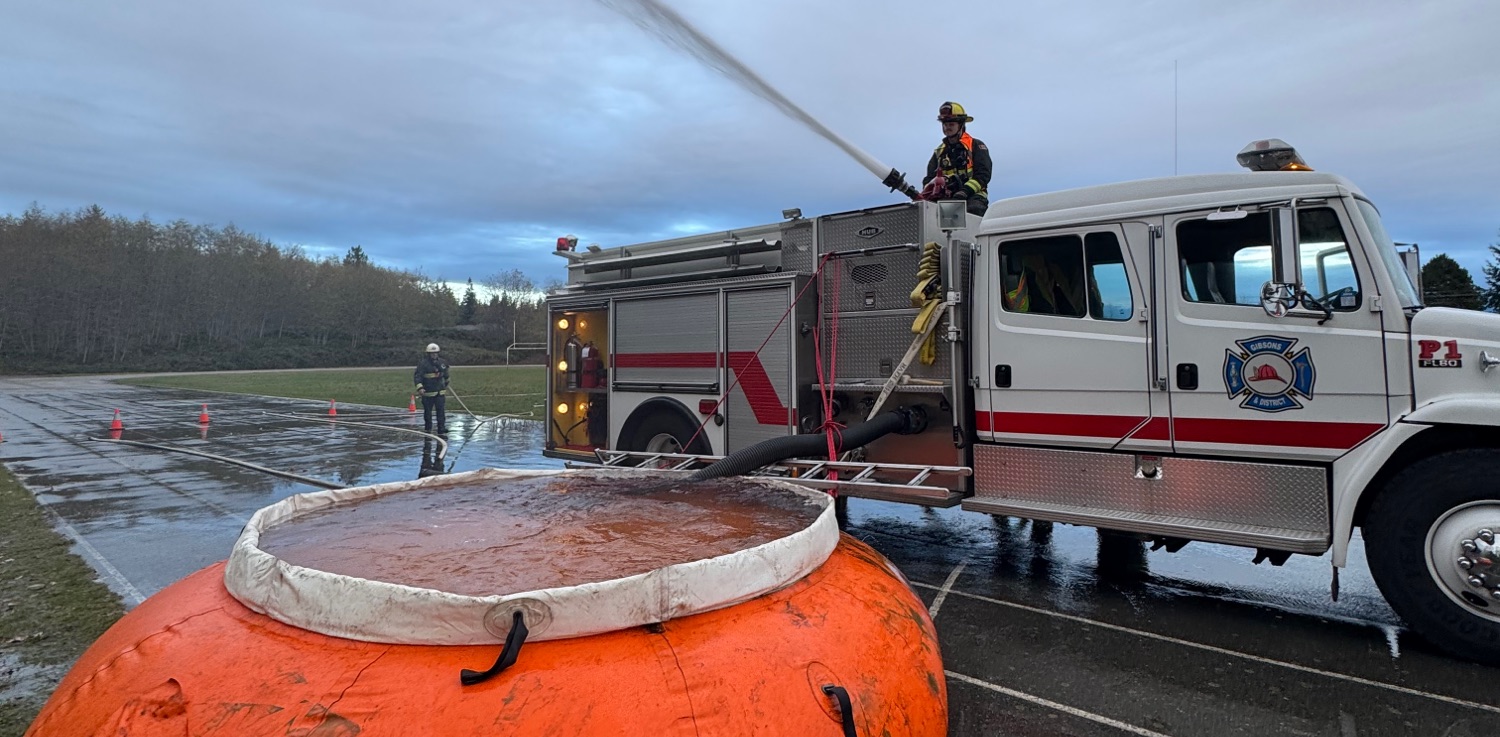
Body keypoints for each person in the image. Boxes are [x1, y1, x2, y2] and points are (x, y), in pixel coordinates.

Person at [923, 101, 992, 216]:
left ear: (961, 125)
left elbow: (983, 175)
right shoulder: (939, 152)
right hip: (947, 199)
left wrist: (965, 191)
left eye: (951, 124)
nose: (947, 128)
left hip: (973, 197)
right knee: (931, 215)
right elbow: (929, 179)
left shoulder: (975, 146)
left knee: (973, 212)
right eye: (944, 124)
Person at [413, 342, 450, 433]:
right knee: (428, 412)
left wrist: (445, 384)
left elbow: (446, 375)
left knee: (441, 411)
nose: (434, 354)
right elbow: (418, 377)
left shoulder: (442, 363)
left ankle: (441, 428)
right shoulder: (423, 364)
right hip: (428, 392)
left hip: (440, 393)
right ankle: (428, 427)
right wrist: (420, 388)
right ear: (428, 354)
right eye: (432, 353)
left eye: (436, 353)